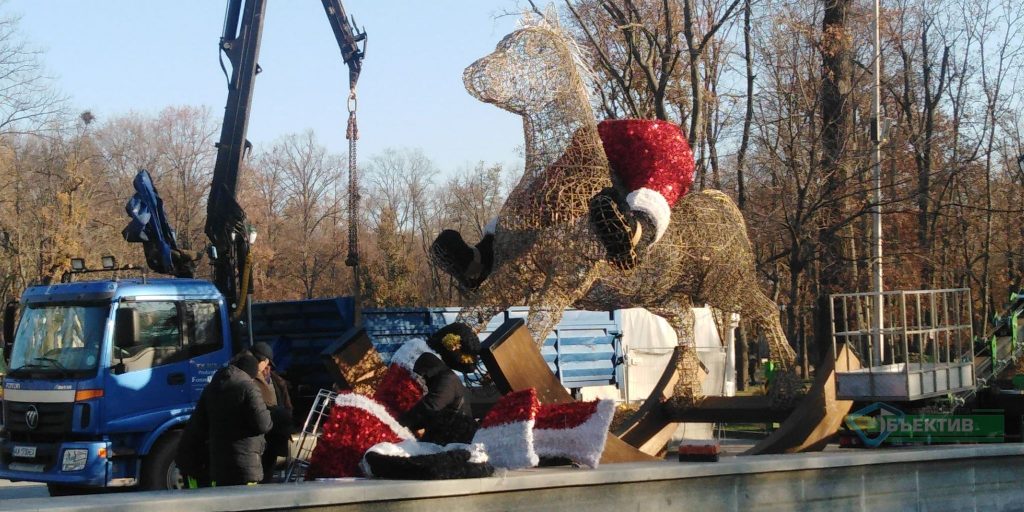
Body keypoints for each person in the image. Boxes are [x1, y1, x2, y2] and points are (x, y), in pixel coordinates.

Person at [176, 353, 272, 486]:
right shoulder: (249, 388)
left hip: (219, 465)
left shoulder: (212, 389)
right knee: (247, 503)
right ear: (251, 373)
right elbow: (263, 424)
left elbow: (199, 425)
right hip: (245, 463)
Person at [398, 323, 482, 445]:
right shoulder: (445, 377)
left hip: (450, 444)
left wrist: (395, 424)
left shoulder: (448, 379)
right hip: (443, 441)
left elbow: (428, 408)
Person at [250, 341, 293, 483]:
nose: (267, 367)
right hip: (259, 435)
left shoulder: (275, 380)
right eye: (266, 363)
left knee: (268, 470)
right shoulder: (247, 378)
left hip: (273, 434)